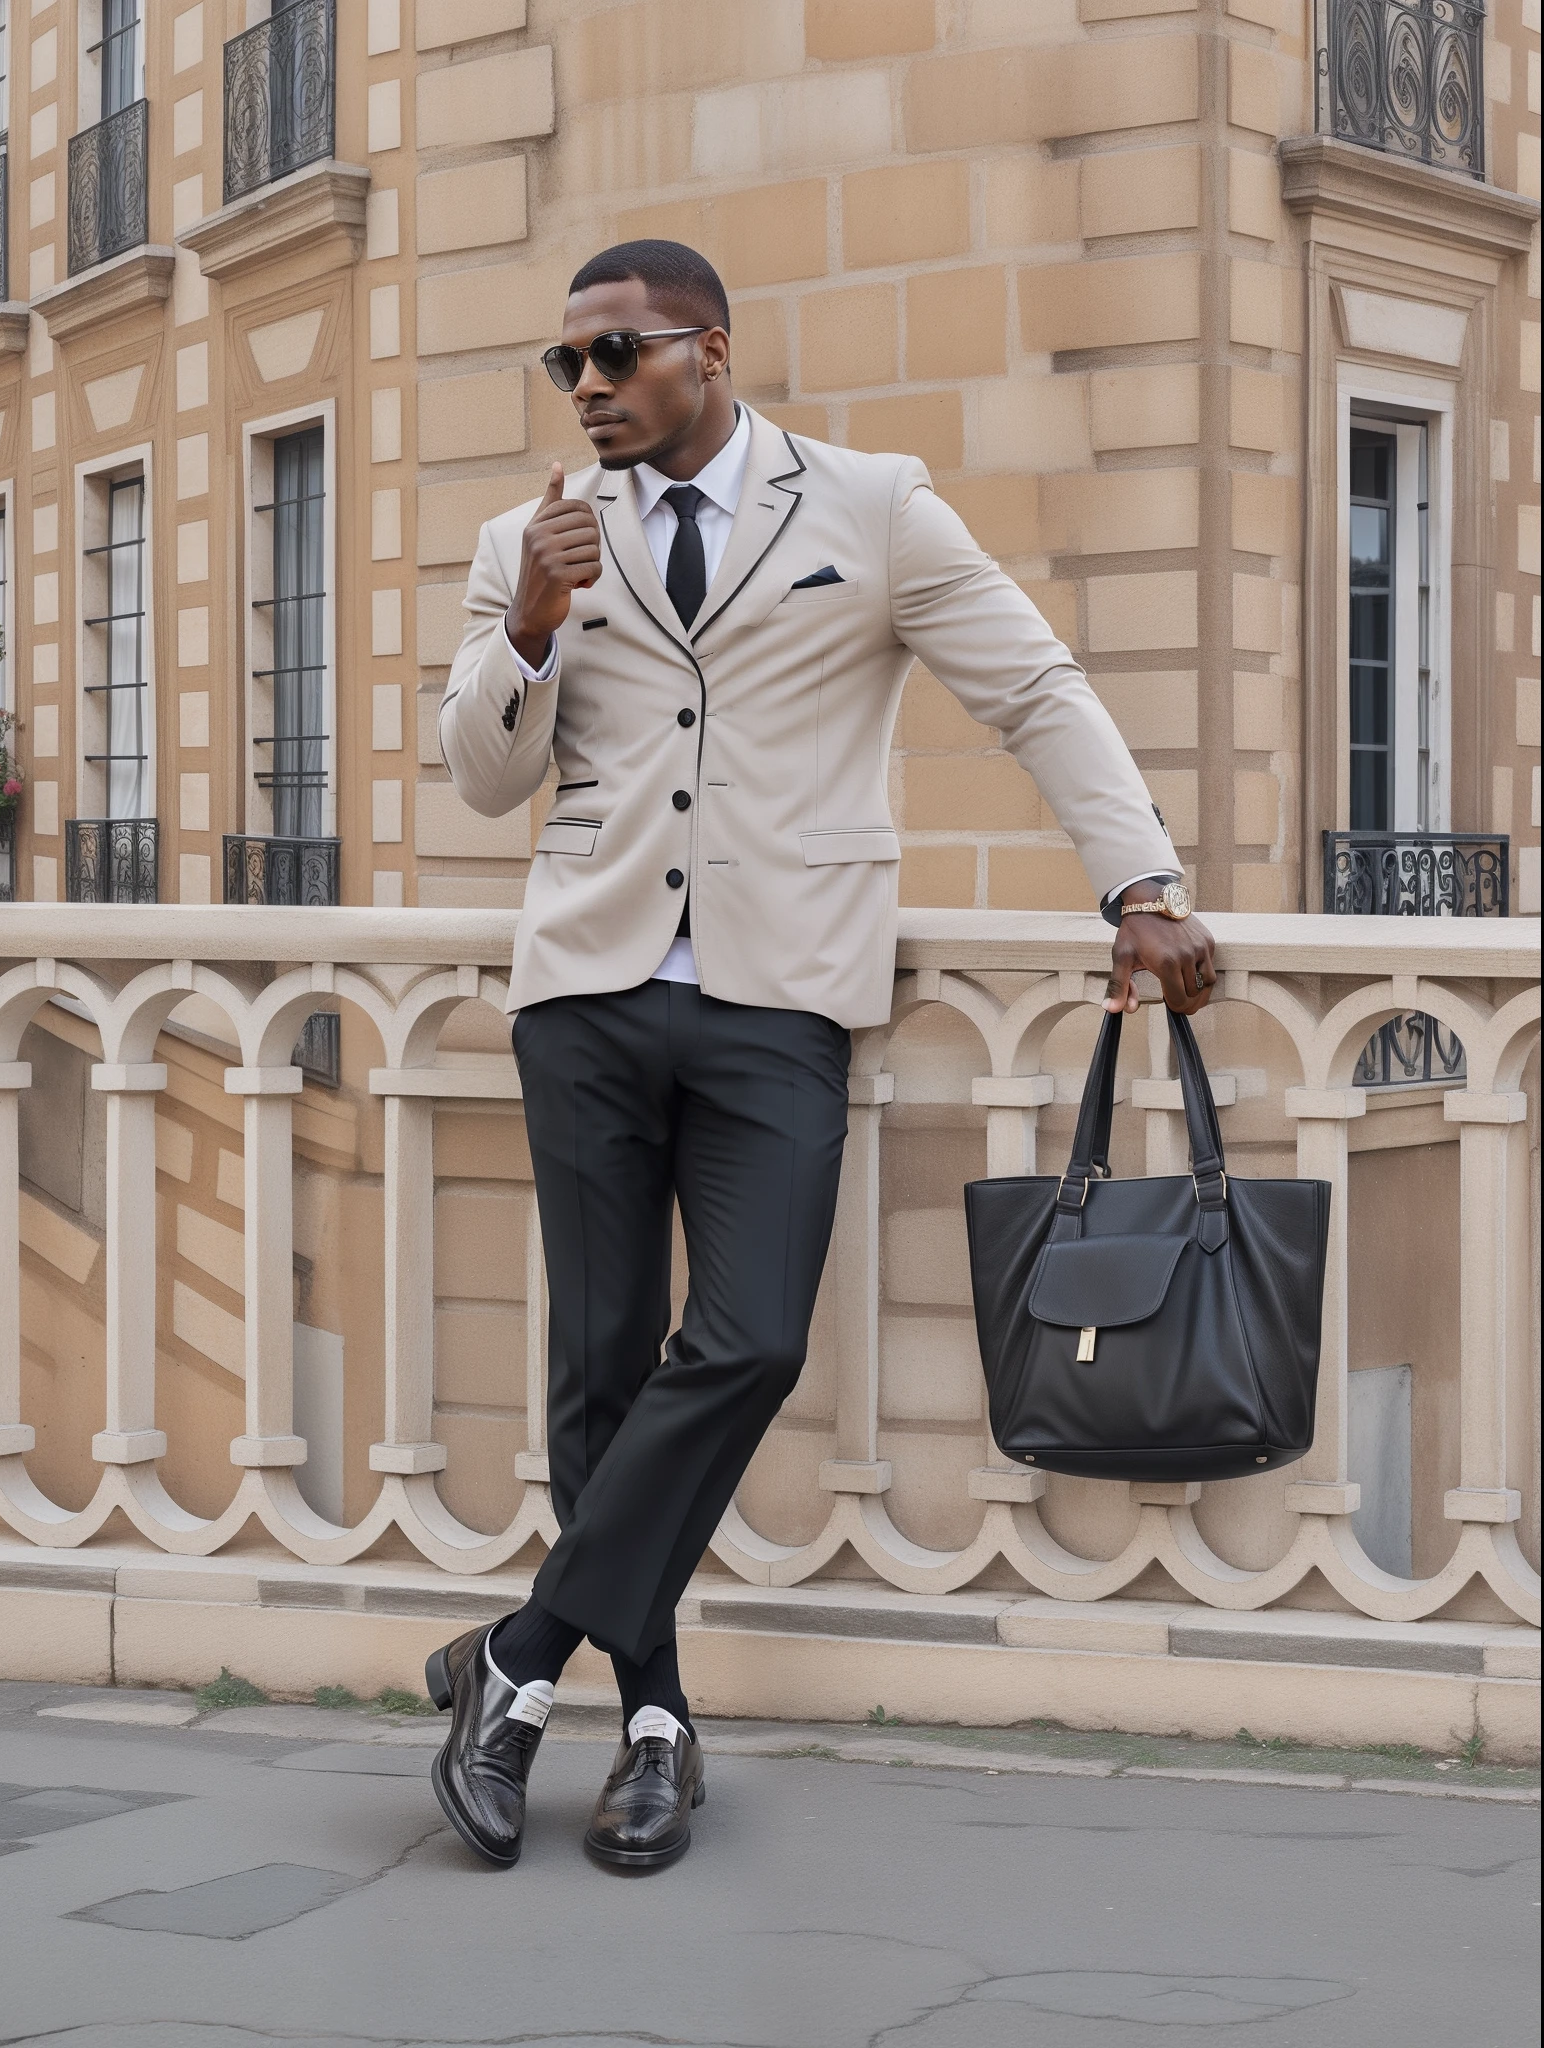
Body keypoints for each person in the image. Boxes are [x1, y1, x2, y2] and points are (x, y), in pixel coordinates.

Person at [431, 239, 1216, 1872]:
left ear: (707, 351)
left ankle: (511, 1660)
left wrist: (1140, 884)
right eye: (562, 365)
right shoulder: (528, 539)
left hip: (779, 998)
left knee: (752, 1339)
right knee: (597, 1363)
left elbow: (1035, 688)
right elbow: (481, 781)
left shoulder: (869, 506)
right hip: (585, 989)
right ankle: (647, 1728)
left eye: (614, 354)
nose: (583, 387)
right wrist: (530, 621)